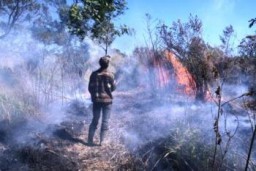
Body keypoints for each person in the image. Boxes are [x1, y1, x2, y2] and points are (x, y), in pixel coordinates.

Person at [87, 55, 116, 146]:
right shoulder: (110, 75)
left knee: (95, 120)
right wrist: (108, 91)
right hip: (107, 102)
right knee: (105, 121)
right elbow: (113, 88)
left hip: (96, 101)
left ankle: (90, 140)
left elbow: (90, 88)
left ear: (100, 64)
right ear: (107, 65)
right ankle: (102, 141)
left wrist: (94, 96)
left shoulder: (93, 74)